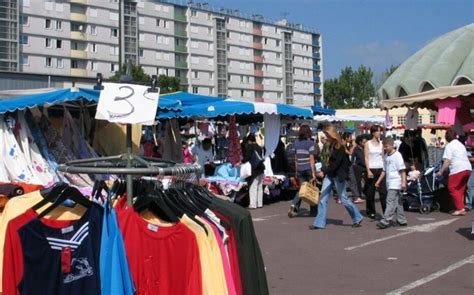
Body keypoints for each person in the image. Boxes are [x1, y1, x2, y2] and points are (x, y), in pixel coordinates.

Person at [309, 125, 363, 230]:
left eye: (327, 135)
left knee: (344, 199)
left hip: (338, 175)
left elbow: (336, 164)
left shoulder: (340, 147)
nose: (326, 137)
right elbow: (330, 163)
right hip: (330, 174)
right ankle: (319, 223)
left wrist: (323, 171)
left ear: (333, 135)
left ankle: (357, 217)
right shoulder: (331, 145)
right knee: (322, 198)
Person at [436, 129, 471, 216]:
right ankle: (461, 206)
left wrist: (441, 171)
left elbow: (447, 160)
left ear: (448, 137)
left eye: (445, 135)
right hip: (467, 168)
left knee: (452, 187)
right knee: (461, 189)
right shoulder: (461, 145)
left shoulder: (449, 146)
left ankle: (460, 208)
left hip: (457, 169)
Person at [375, 137, 408, 229]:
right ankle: (402, 220)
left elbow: (402, 170)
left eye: (386, 146)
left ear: (392, 145)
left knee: (390, 201)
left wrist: (403, 182)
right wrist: (378, 181)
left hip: (395, 182)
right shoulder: (386, 156)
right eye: (384, 147)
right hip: (389, 182)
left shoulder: (397, 155)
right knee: (398, 201)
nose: (385, 148)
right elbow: (384, 171)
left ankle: (385, 220)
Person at [288, 125, 317, 218]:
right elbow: (311, 158)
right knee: (311, 190)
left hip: (300, 168)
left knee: (301, 190)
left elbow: (296, 158)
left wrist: (296, 170)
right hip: (308, 168)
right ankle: (313, 211)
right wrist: (313, 173)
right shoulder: (311, 143)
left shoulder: (296, 143)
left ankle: (294, 208)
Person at [364, 125, 387, 219]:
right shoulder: (367, 143)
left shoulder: (381, 144)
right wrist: (368, 170)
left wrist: (384, 168)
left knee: (383, 192)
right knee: (370, 192)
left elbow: (382, 156)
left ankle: (386, 211)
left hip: (380, 168)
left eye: (380, 131)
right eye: (378, 131)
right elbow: (366, 157)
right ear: (373, 132)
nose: (379, 133)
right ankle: (371, 211)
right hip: (372, 168)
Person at [242, 133, 265, 209]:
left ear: (249, 140)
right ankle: (259, 203)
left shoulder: (250, 147)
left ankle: (253, 204)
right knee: (260, 187)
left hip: (254, 169)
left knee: (253, 187)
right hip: (261, 168)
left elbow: (247, 157)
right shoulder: (259, 147)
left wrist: (241, 162)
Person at [343, 132, 364, 204]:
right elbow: (350, 153)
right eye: (350, 137)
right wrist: (353, 145)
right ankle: (355, 197)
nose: (351, 139)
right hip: (346, 165)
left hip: (347, 164)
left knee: (349, 181)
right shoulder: (343, 144)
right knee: (352, 181)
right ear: (346, 138)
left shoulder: (345, 144)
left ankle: (342, 197)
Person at [351, 135, 368, 203]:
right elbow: (352, 158)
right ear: (360, 142)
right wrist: (353, 164)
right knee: (358, 182)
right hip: (358, 167)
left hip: (366, 167)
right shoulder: (356, 149)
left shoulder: (367, 148)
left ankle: (365, 191)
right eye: (364, 142)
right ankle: (359, 195)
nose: (365, 143)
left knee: (368, 181)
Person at [466, 129, 474, 211]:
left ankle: (469, 204)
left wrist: (469, 159)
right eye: (470, 134)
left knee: (470, 185)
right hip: (470, 168)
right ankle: (468, 204)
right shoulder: (468, 145)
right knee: (469, 185)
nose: (471, 136)